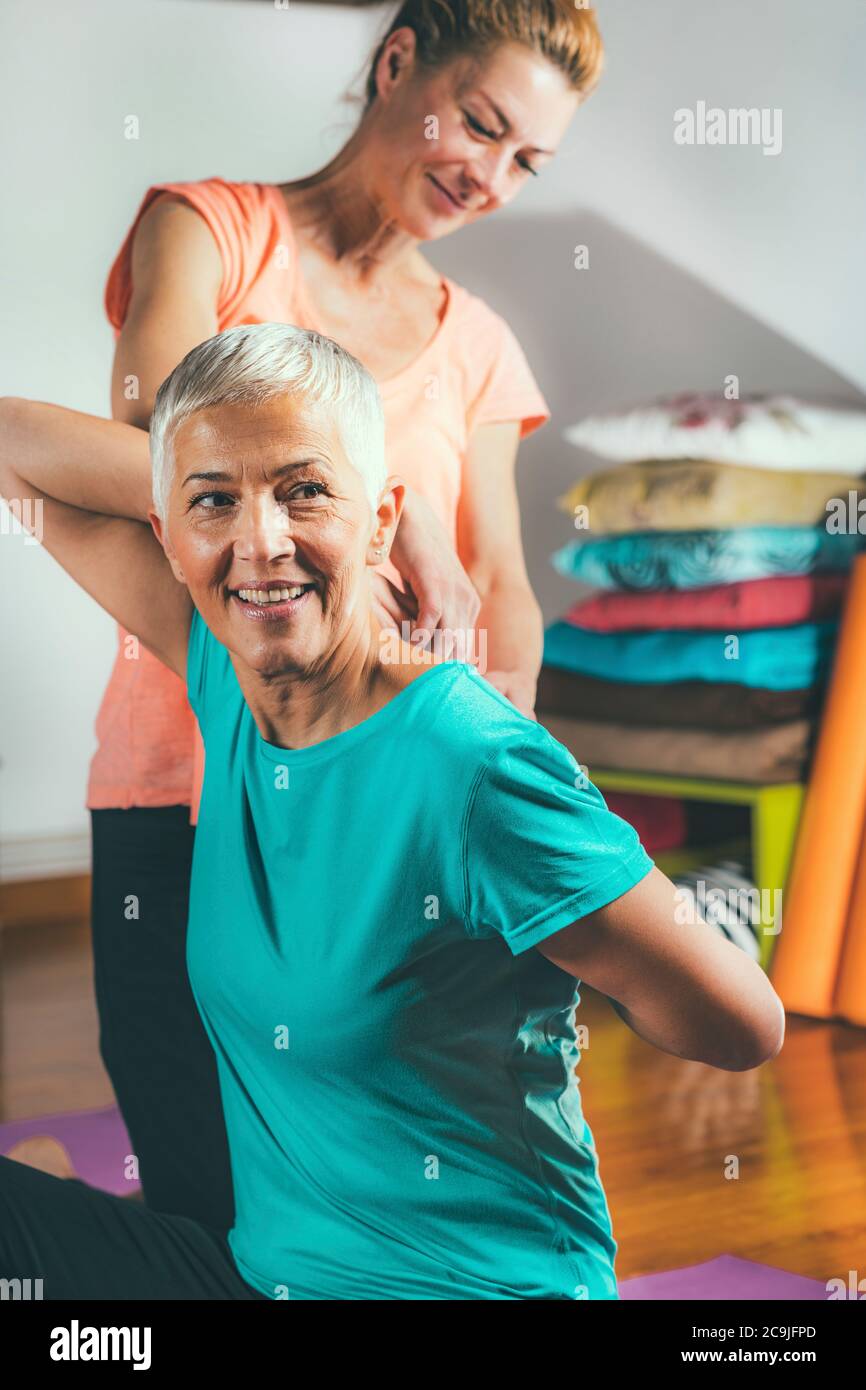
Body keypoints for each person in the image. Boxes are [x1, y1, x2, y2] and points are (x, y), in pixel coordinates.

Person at [0, 324, 785, 1299]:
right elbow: (9, 442)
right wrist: (200, 484)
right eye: (215, 501)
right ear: (168, 533)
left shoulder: (472, 764)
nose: (261, 541)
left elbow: (740, 1024)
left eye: (304, 490)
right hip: (269, 1278)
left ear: (380, 521)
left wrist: (563, 905)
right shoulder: (226, 674)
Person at [79, 0, 606, 1229]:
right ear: (397, 62)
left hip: (367, 808)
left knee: (349, 1168)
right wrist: (367, 496)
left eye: (527, 160)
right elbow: (152, 445)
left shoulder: (477, 342)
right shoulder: (211, 230)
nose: (490, 175)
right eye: (480, 124)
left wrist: (512, 778)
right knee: (190, 1154)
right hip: (179, 784)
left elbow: (502, 593)